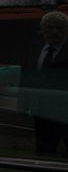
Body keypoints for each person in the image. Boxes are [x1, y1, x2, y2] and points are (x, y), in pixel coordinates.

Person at [20, 10, 68, 157]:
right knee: (44, 152)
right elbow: (27, 76)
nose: (54, 31)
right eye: (50, 27)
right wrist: (23, 103)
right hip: (41, 112)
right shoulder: (34, 48)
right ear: (43, 30)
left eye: (59, 28)